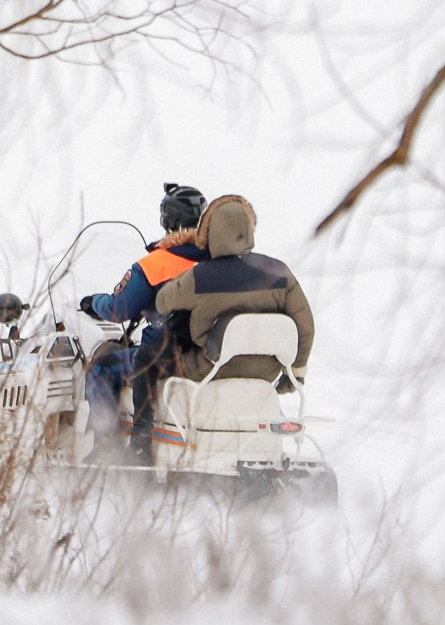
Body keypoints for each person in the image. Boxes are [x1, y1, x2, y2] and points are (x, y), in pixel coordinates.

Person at [79, 183, 207, 458]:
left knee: (101, 367)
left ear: (167, 219)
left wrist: (93, 302)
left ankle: (107, 447)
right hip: (205, 355)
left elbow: (117, 309)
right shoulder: (216, 262)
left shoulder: (156, 264)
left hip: (162, 356)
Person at [153, 193, 314, 387]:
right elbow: (305, 326)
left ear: (210, 232)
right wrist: (295, 371)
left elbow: (162, 303)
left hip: (209, 368)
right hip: (266, 372)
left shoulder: (200, 275)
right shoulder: (279, 271)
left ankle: (140, 416)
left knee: (149, 360)